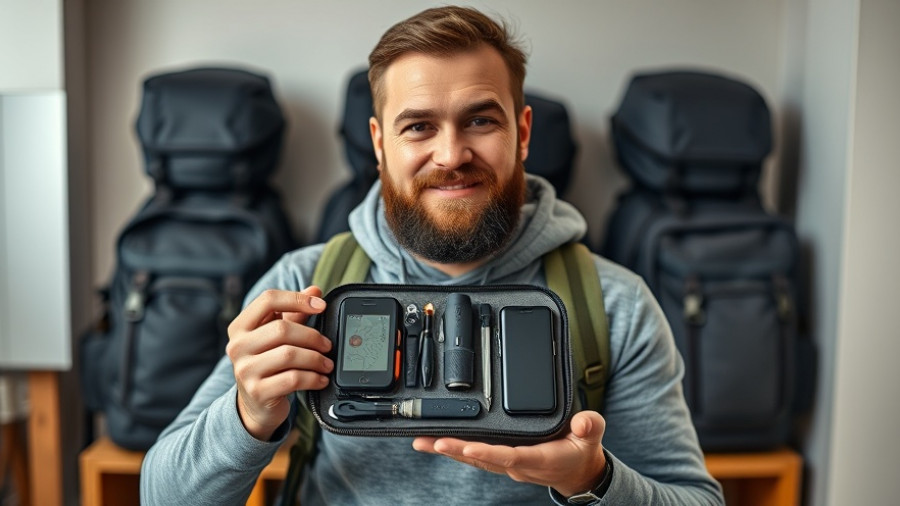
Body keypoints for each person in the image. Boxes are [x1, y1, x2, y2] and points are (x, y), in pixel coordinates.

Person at [141, 6, 724, 505]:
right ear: (379, 144)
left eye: (479, 120)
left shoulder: (614, 305)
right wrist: (246, 416)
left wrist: (593, 480)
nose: (451, 153)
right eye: (418, 126)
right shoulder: (305, 287)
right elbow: (159, 496)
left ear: (523, 133)